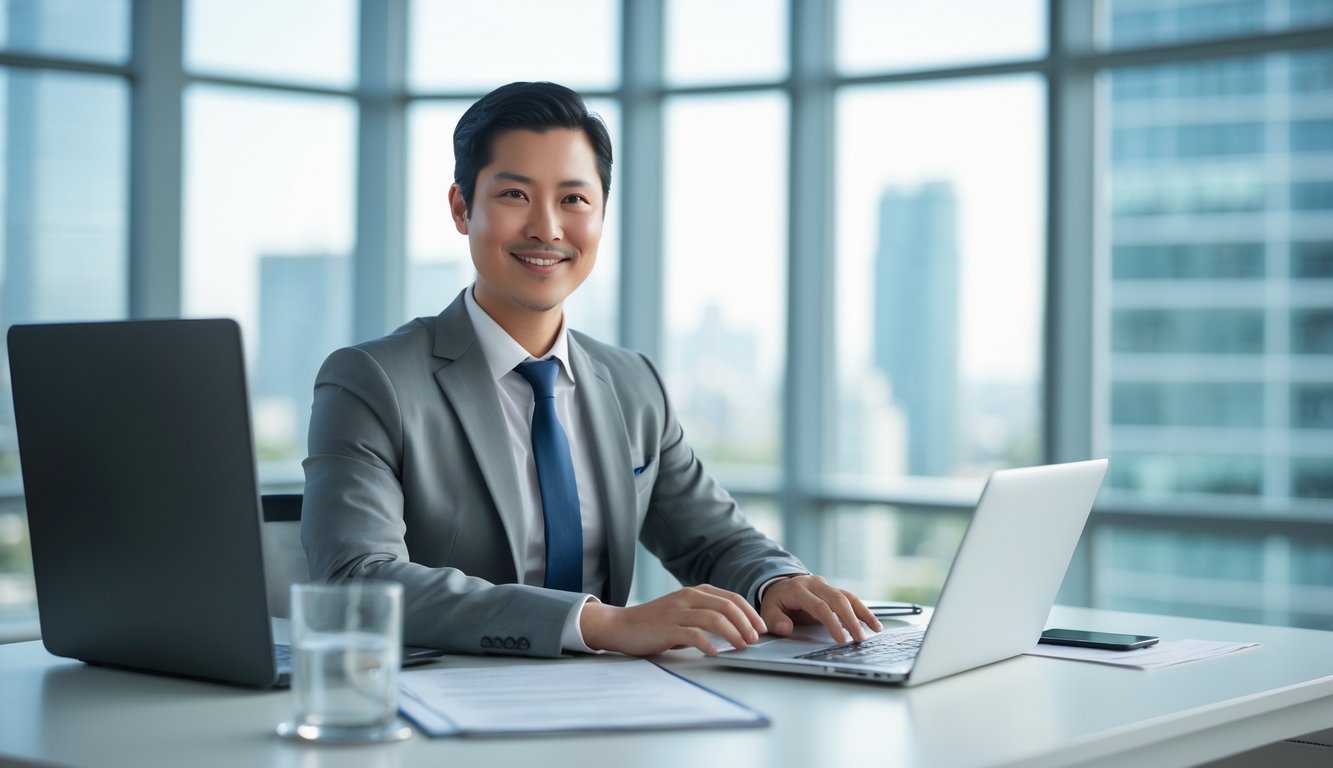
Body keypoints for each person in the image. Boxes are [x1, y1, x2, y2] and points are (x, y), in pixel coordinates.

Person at [302, 81, 882, 658]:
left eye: (574, 200)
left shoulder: (633, 384)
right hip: (440, 698)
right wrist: (598, 624)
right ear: (461, 208)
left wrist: (776, 581)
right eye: (514, 195)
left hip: (614, 702)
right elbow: (358, 578)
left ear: (602, 213)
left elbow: (715, 539)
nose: (547, 229)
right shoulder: (372, 381)